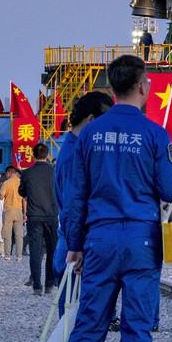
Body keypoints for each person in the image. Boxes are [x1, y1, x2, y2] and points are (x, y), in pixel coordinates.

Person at [44, 55, 172, 342]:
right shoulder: (156, 135)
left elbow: (76, 195)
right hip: (141, 238)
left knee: (89, 325)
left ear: (111, 87)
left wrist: (75, 243)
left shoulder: (88, 135)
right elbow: (169, 189)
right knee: (137, 328)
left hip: (98, 238)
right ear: (143, 87)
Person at [52, 91, 116, 277]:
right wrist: (76, 245)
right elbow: (72, 205)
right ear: (90, 120)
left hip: (74, 238)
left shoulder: (73, 146)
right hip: (78, 243)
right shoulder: (75, 154)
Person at [21, 142, 59, 295]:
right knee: (52, 250)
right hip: (51, 215)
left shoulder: (27, 173)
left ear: (34, 155)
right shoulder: (54, 172)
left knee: (35, 251)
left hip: (34, 215)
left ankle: (37, 285)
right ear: (47, 154)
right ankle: (49, 283)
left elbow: (22, 192)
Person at [0, 166, 26, 261]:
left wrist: (3, 195)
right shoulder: (21, 182)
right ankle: (19, 256)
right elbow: (24, 199)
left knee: (7, 234)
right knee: (19, 235)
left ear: (9, 173)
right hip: (19, 211)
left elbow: (1, 197)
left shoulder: (6, 183)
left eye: (6, 174)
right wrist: (24, 213)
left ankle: (7, 255)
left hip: (8, 211)